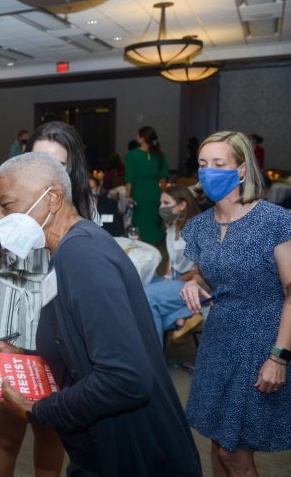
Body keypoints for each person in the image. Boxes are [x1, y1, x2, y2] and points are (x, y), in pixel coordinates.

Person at [0, 152, 202, 477]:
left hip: (134, 453)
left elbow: (125, 379)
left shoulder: (82, 254)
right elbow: (81, 346)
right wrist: (23, 355)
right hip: (105, 447)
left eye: (6, 205)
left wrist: (37, 409)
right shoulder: (65, 251)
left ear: (51, 198)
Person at [0, 120, 97, 477]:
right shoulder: (0, 203)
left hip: (58, 330)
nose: (44, 172)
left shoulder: (85, 210)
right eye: (39, 161)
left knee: (53, 434)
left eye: (57, 165)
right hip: (5, 322)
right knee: (6, 435)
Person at [180, 131, 291, 476]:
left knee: (234, 455)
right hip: (218, 340)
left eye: (218, 164)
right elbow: (204, 276)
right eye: (202, 165)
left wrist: (279, 357)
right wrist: (194, 286)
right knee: (216, 442)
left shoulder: (274, 221)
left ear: (241, 170)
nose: (208, 172)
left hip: (262, 341)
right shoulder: (200, 226)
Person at [143, 185, 200, 344]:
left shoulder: (195, 230)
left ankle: (152, 357)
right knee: (136, 287)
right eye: (161, 203)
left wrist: (175, 281)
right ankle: (181, 316)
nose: (161, 207)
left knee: (146, 297)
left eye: (166, 203)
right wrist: (168, 273)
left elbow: (200, 272)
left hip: (192, 283)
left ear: (182, 205)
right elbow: (172, 258)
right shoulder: (172, 225)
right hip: (175, 277)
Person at [125, 126, 169, 244]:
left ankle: (140, 244)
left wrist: (127, 196)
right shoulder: (160, 155)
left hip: (138, 193)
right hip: (155, 193)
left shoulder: (132, 155)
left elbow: (130, 178)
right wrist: (164, 196)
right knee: (154, 220)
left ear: (142, 138)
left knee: (139, 221)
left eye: (138, 135)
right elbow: (163, 179)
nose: (136, 137)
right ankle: (155, 244)